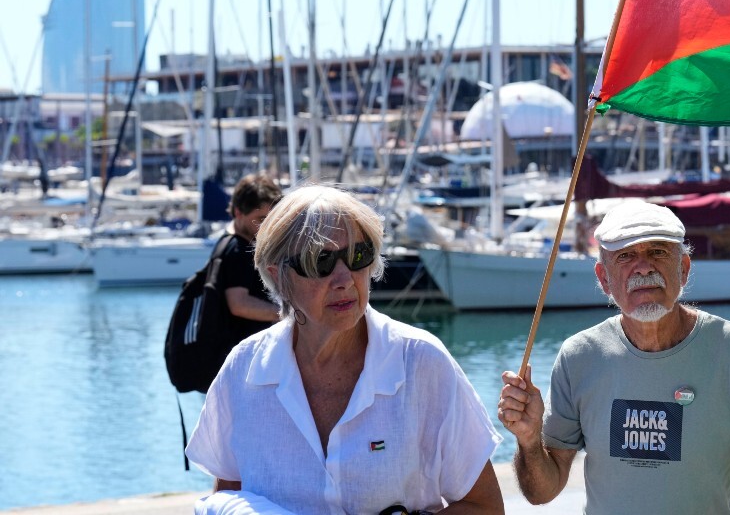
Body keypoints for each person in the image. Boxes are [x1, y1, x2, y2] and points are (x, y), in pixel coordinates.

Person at [186, 185, 503, 514]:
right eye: (319, 261)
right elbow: (228, 500)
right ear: (277, 277)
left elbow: (485, 508)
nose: (345, 279)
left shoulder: (421, 362)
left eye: (358, 256)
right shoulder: (243, 370)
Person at [498, 200, 730, 514]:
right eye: (625, 256)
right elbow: (542, 492)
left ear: (683, 269)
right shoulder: (577, 357)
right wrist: (529, 439)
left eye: (658, 252)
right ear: (604, 278)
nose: (644, 267)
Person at [215, 172, 283, 349]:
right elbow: (239, 304)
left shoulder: (226, 243)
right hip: (243, 351)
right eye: (261, 219)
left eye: (271, 218)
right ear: (238, 212)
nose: (267, 225)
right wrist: (287, 314)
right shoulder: (239, 250)